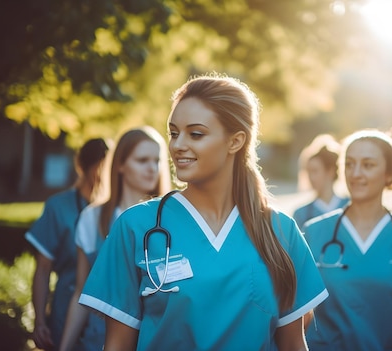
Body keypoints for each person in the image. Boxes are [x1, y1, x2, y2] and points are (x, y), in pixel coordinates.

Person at [79, 73, 328, 351]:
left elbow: (294, 344)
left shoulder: (281, 231)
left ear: (235, 142)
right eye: (174, 133)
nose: (177, 145)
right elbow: (116, 346)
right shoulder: (136, 227)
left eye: (195, 134)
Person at [303, 128, 392, 351]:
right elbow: (297, 316)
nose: (356, 173)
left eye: (368, 165)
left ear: (389, 174)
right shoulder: (313, 233)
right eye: (349, 164)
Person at [59, 127, 172, 351]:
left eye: (157, 160)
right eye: (142, 160)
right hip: (98, 340)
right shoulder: (92, 218)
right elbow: (82, 293)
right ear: (120, 164)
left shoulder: (172, 221)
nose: (152, 168)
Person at [26, 138, 110, 350]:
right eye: (99, 169)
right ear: (82, 167)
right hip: (66, 308)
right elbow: (42, 269)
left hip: (106, 318)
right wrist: (39, 322)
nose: (103, 176)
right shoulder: (58, 207)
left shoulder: (118, 212)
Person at [293, 134, 350, 229]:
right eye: (308, 171)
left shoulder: (350, 207)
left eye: (315, 171)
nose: (311, 177)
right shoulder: (301, 214)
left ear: (330, 171)